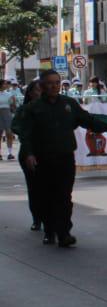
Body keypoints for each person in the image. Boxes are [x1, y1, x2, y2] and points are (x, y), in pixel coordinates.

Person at [13, 69, 107, 249]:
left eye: (57, 82)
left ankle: (64, 233)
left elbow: (89, 120)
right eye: (50, 83)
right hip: (42, 158)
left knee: (64, 196)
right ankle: (49, 230)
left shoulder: (69, 104)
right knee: (46, 195)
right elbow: (26, 134)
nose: (54, 86)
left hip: (65, 157)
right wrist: (30, 154)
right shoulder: (33, 108)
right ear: (42, 86)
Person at [14, 81, 41, 235]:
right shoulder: (24, 110)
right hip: (29, 154)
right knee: (34, 188)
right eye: (37, 90)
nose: (41, 93)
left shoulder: (53, 108)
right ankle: (37, 218)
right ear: (30, 93)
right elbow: (16, 126)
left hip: (50, 154)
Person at [0, 80, 15, 160]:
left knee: (9, 133)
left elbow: (13, 105)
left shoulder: (9, 94)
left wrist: (14, 114)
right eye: (4, 84)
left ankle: (10, 153)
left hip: (7, 114)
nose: (6, 85)